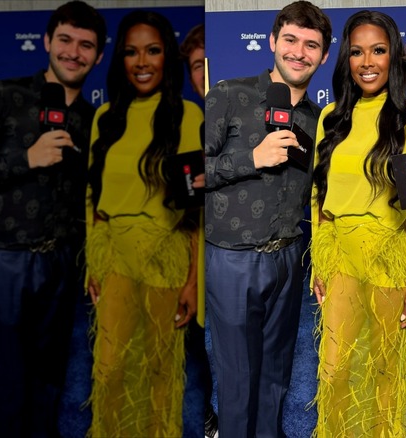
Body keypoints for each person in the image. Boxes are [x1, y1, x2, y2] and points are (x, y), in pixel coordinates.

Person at [309, 10, 406, 437]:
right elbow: (319, 202)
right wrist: (320, 266)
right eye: (357, 51)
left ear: (393, 57)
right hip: (340, 253)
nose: (368, 61)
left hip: (391, 255)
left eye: (379, 51)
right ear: (345, 58)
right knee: (334, 368)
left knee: (385, 368)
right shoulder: (330, 117)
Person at [203, 2, 331, 436]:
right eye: (291, 40)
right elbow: (190, 175)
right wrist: (251, 158)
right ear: (273, 42)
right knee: (238, 381)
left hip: (289, 257)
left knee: (276, 376)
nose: (299, 52)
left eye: (311, 45)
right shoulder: (228, 93)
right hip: (233, 258)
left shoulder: (320, 120)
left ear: (324, 55)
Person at [0, 1, 105, 436]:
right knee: (10, 377)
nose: (74, 52)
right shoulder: (4, 94)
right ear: (48, 41)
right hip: (5, 258)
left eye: (86, 45)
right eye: (66, 40)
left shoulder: (95, 121)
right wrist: (25, 158)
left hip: (63, 262)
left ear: (98, 55)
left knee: (51, 376)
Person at [84, 10, 203, 437]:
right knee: (110, 366)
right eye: (132, 52)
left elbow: (194, 209)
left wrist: (193, 281)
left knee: (159, 364)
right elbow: (93, 199)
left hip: (164, 254)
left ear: (166, 57)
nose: (142, 62)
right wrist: (94, 264)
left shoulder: (187, 116)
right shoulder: (105, 118)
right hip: (113, 253)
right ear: (121, 61)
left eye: (152, 50)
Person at [178, 22, 218, 438]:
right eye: (195, 66)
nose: (204, 73)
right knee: (198, 347)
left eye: (209, 63)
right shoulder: (187, 123)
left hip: (244, 258)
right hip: (194, 254)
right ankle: (210, 416)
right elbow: (187, 209)